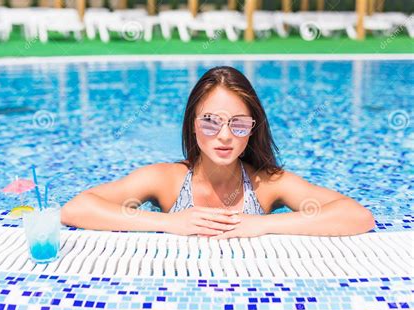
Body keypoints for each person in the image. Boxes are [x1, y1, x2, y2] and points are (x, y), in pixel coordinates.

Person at [61, 66, 374, 238]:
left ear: (252, 129)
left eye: (238, 124)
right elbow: (76, 209)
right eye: (210, 122)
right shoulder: (166, 181)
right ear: (193, 125)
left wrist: (262, 225)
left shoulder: (267, 184)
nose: (225, 136)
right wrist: (169, 223)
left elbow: (357, 216)